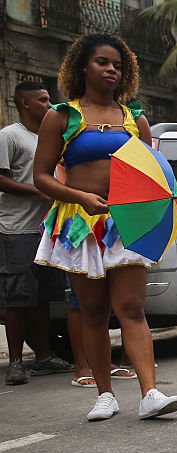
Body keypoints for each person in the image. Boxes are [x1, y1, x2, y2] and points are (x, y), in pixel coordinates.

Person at [33, 34, 177, 421]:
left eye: (117, 64)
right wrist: (78, 196)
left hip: (125, 222)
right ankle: (105, 394)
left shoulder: (136, 119)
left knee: (131, 306)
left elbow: (153, 175)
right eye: (102, 62)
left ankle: (149, 391)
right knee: (94, 310)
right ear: (83, 66)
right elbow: (41, 176)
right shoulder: (62, 116)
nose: (111, 69)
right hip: (81, 222)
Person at [1, 80, 73, 385]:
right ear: (25, 103)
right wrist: (38, 191)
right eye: (43, 100)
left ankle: (43, 357)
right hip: (16, 229)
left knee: (41, 297)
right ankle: (16, 362)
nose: (50, 105)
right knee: (17, 299)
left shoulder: (47, 138)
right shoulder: (9, 136)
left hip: (46, 230)